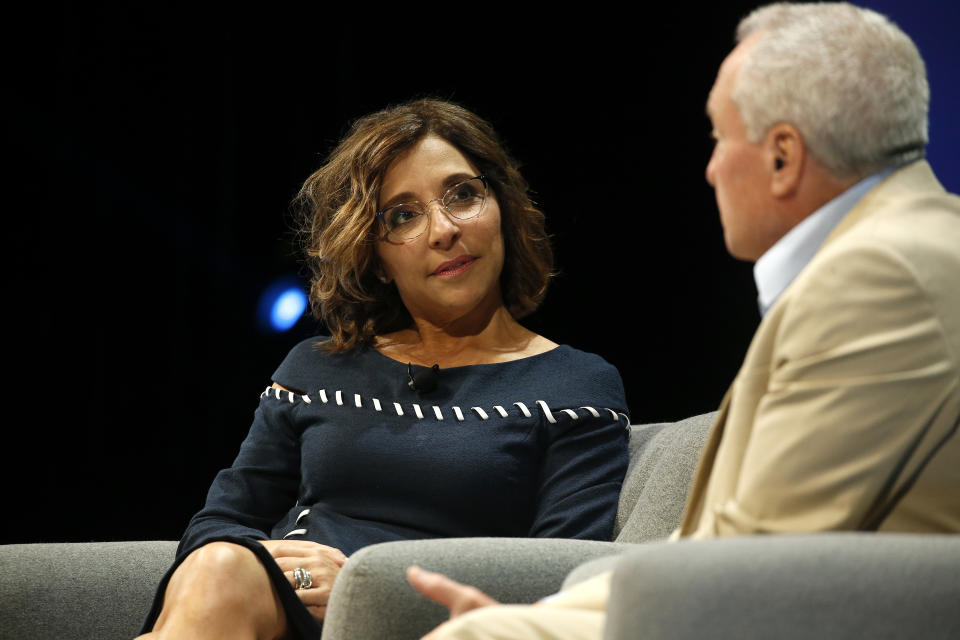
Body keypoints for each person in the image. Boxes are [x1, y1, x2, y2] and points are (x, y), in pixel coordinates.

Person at [408, 3, 960, 638]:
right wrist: (533, 619)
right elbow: (722, 546)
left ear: (782, 156)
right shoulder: (905, 248)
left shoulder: (880, 279)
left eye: (719, 139)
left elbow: (746, 564)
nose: (710, 168)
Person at [136, 99, 630, 640]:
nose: (442, 229)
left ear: (502, 207)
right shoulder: (316, 368)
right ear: (375, 258)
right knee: (217, 564)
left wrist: (369, 589)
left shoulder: (575, 384)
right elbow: (216, 526)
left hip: (422, 626)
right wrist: (288, 572)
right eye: (403, 215)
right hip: (268, 611)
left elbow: (563, 577)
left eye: (462, 194)